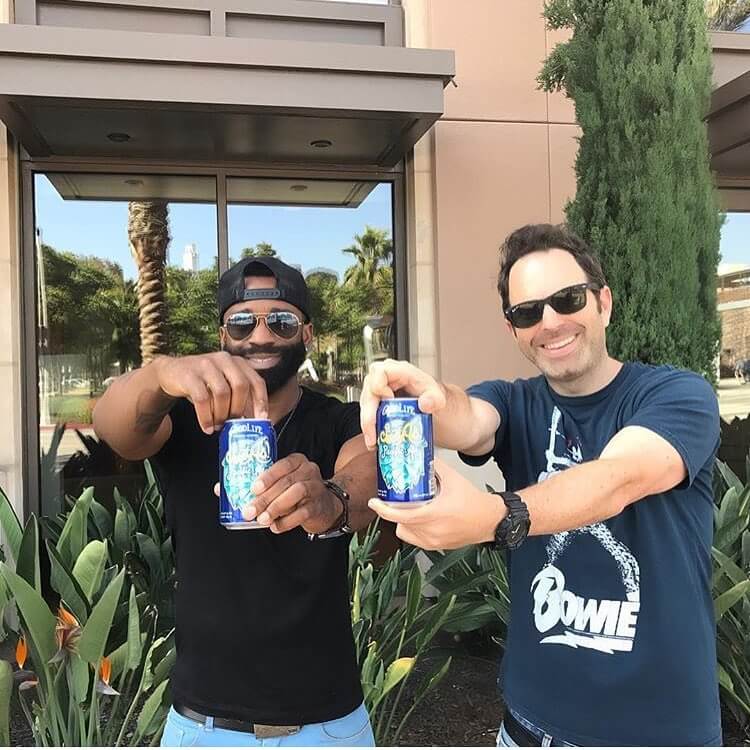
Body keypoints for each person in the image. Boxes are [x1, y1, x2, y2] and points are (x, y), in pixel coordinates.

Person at [360, 224, 722, 747]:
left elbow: (617, 479)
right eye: (526, 312)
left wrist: (493, 515)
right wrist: (424, 395)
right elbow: (468, 417)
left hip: (658, 733)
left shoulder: (677, 395)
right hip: (528, 728)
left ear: (604, 302)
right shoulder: (514, 401)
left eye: (567, 300)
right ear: (513, 331)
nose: (549, 322)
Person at [94, 256, 376, 747]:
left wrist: (329, 499)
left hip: (329, 723)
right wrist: (161, 374)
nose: (261, 336)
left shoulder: (336, 420)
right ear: (223, 335)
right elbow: (114, 428)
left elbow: (367, 476)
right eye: (242, 322)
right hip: (203, 723)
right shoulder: (184, 420)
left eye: (281, 321)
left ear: (306, 334)